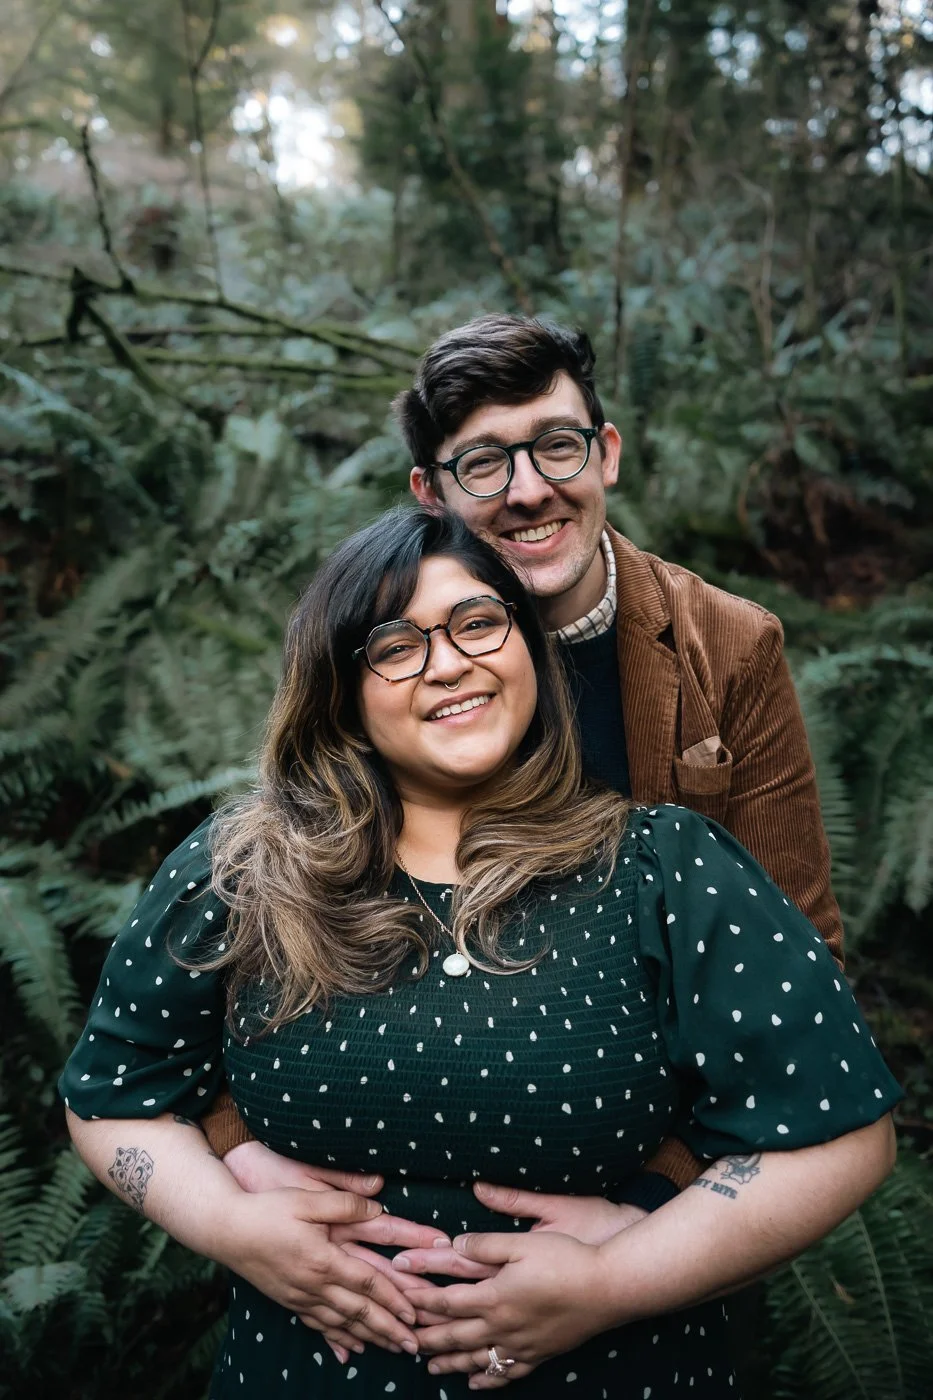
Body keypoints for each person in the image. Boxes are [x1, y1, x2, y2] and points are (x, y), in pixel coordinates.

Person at [62, 508, 899, 1398]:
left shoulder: (661, 869)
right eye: (394, 644)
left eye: (476, 623)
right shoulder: (245, 868)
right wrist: (229, 1225)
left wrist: (618, 1281)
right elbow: (113, 1095)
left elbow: (842, 1136)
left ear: (526, 649)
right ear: (338, 691)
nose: (449, 661)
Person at [203, 313, 844, 1213]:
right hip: (371, 1171)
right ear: (429, 491)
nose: (529, 489)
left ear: (605, 453)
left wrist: (648, 1208)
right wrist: (244, 1157)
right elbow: (260, 920)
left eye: (556, 446)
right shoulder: (376, 657)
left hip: (645, 1185)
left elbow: (798, 948)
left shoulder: (727, 649)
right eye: (483, 463)